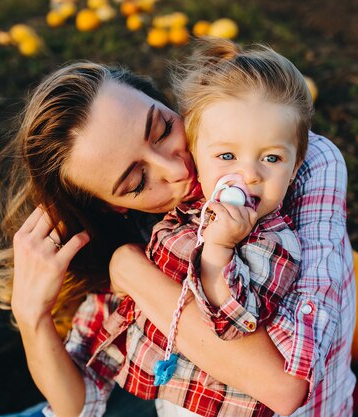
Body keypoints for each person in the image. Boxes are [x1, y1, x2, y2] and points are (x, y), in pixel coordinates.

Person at [0, 40, 355, 417]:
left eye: (160, 129)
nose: (175, 170)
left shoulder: (299, 158)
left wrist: (131, 271)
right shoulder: (150, 233)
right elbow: (76, 405)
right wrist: (32, 318)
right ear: (113, 206)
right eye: (137, 182)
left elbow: (284, 387)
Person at [78, 38, 311, 417]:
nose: (248, 174)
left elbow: (232, 321)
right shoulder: (189, 212)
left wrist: (219, 250)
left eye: (271, 158)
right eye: (226, 156)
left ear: (296, 164)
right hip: (175, 396)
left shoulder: (271, 242)